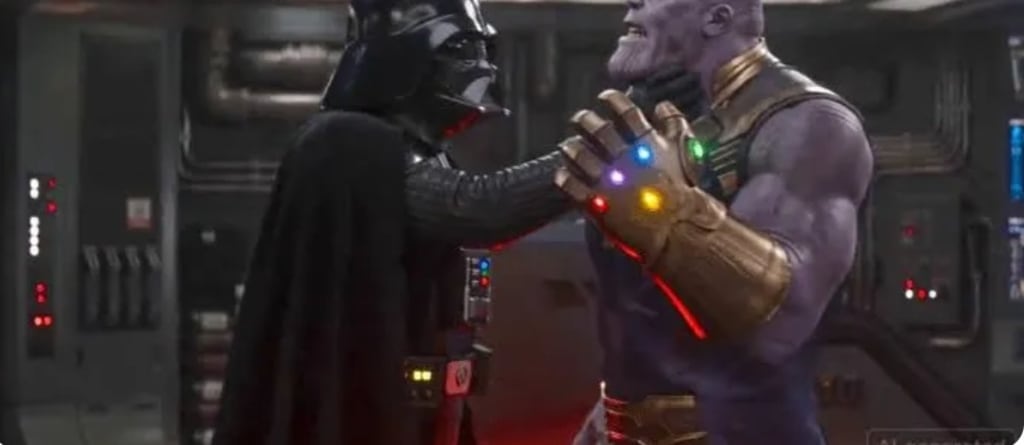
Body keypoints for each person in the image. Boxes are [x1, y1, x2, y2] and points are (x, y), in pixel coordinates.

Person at [210, 0, 704, 443]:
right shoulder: (348, 142)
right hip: (365, 403)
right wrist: (617, 134)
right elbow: (477, 208)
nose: (484, 67)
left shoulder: (402, 150)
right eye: (465, 49)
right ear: (405, 57)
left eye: (485, 49)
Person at [554, 0, 874, 443]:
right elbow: (649, 330)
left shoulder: (811, 123)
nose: (632, 1)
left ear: (717, 17)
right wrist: (607, 425)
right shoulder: (662, 114)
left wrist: (664, 212)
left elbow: (776, 326)